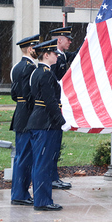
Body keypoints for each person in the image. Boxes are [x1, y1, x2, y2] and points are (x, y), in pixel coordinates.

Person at [26, 39, 65, 211]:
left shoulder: (36, 72)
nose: (57, 56)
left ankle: (41, 199)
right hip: (46, 123)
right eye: (54, 53)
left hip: (38, 121)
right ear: (46, 54)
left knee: (39, 162)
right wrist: (61, 121)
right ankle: (42, 201)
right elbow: (50, 101)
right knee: (44, 163)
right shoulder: (46, 74)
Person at [9, 34, 39, 206]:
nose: (37, 51)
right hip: (28, 116)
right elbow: (30, 95)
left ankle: (18, 192)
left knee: (21, 156)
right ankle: (20, 194)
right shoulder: (30, 68)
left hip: (20, 114)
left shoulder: (17, 67)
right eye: (35, 48)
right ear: (30, 49)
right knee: (25, 157)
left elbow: (15, 94)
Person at [48, 26, 78, 190]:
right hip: (52, 107)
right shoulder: (53, 58)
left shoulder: (62, 56)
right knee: (52, 146)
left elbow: (78, 55)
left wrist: (90, 36)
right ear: (59, 40)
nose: (71, 41)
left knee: (55, 145)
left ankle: (54, 177)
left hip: (57, 105)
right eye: (68, 39)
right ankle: (51, 178)